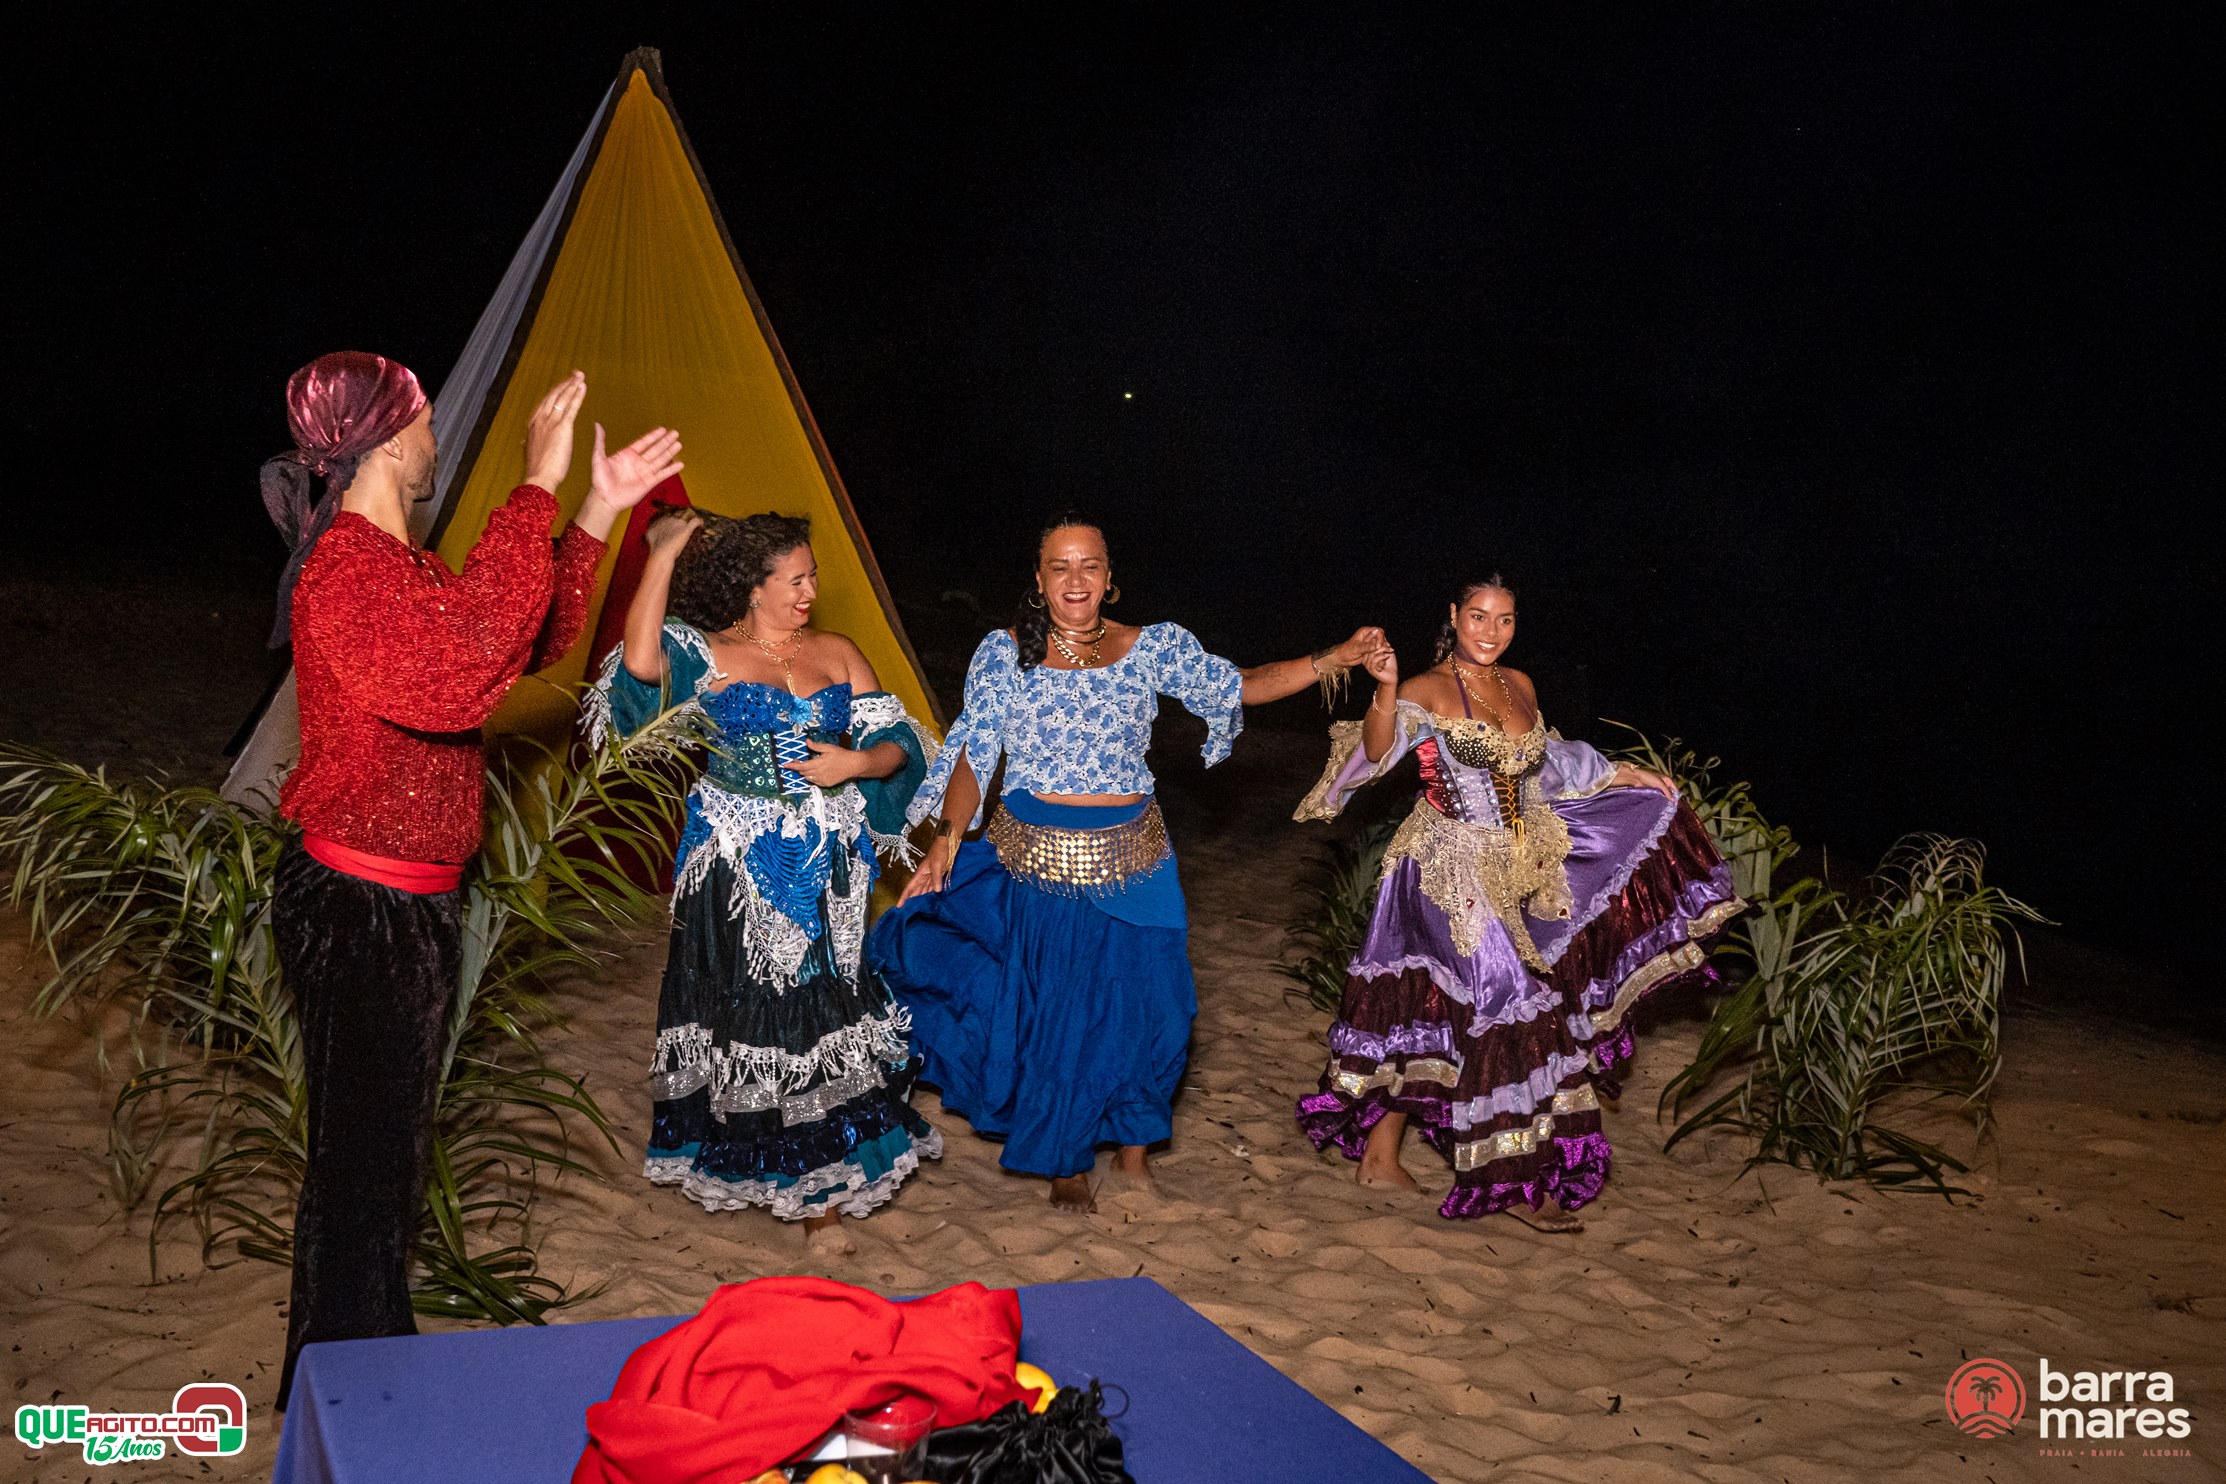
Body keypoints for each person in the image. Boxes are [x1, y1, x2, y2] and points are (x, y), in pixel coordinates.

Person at [266, 353, 682, 1407]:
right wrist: (535, 485)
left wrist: (595, 505)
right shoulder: (348, 570)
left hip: (404, 904)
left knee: (381, 1168)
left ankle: (357, 1369)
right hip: (360, 905)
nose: (436, 436)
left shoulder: (400, 565)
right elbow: (457, 679)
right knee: (363, 1172)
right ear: (388, 439)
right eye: (424, 419)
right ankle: (340, 1396)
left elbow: (514, 642)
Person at [868, 513, 1387, 1211]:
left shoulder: (1152, 647)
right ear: (1039, 580)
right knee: (1061, 1011)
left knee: (1159, 1008)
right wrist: (948, 838)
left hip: (1136, 856)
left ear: (1109, 579)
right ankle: (1066, 1157)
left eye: (1089, 565)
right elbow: (975, 751)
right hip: (1039, 859)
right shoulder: (1004, 652)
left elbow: (1242, 684)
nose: (1075, 579)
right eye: (1060, 566)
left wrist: (1336, 658)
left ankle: (1136, 1148)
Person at [1293, 574, 1744, 1230]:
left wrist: (1624, 775)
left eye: (1504, 620)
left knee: (1439, 1006)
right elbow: (1376, 753)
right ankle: (1519, 1181)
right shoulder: (1426, 688)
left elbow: (1548, 764)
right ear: (1454, 615)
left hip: (1512, 864)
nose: (1491, 631)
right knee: (1512, 1002)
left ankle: (1380, 1156)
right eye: (1478, 616)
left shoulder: (1519, 684)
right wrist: (1386, 688)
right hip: (1444, 866)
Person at [585, 510, 942, 1254]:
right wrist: (662, 555)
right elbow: (641, 665)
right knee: (766, 1010)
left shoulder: (838, 651)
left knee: (826, 1003)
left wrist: (855, 763)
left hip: (831, 859)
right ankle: (815, 1197)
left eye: (813, 577)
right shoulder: (710, 653)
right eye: (796, 579)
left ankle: (825, 1167)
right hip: (739, 860)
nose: (810, 592)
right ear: (754, 586)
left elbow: (896, 744)